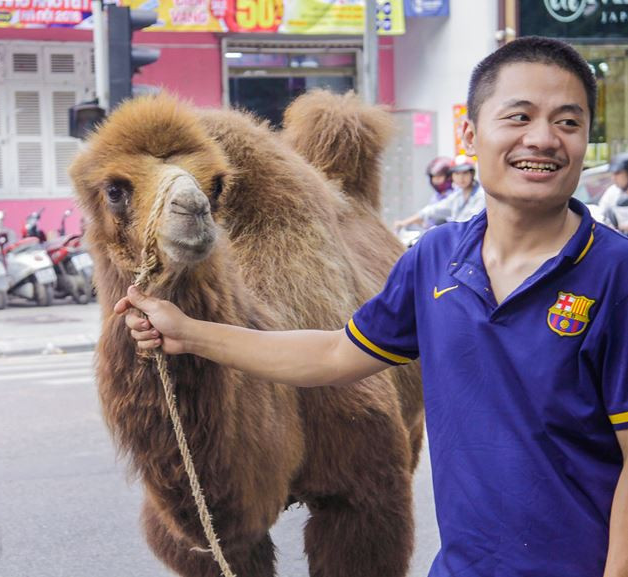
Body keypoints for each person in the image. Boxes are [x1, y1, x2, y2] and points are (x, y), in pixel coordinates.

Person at [116, 37, 628, 577]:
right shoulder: (435, 260)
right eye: (519, 117)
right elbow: (335, 354)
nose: (543, 139)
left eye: (567, 123)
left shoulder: (615, 274)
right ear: (471, 136)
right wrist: (190, 333)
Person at [394, 154, 486, 230]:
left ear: (472, 174)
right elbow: (433, 210)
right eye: (457, 173)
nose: (461, 178)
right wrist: (404, 222)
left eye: (465, 173)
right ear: (452, 176)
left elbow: (470, 222)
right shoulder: (457, 196)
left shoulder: (481, 195)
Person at [598, 152, 628, 234]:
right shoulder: (612, 192)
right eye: (612, 174)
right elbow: (601, 216)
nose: (613, 178)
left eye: (617, 173)